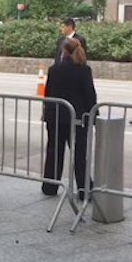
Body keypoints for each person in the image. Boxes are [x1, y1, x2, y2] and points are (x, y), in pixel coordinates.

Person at [42, 38, 97, 200]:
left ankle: (50, 186)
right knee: (79, 154)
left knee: (54, 151)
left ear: (63, 51)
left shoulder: (54, 69)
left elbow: (48, 93)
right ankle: (84, 188)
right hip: (78, 118)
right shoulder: (84, 70)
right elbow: (90, 95)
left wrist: (46, 113)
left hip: (56, 116)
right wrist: (93, 118)